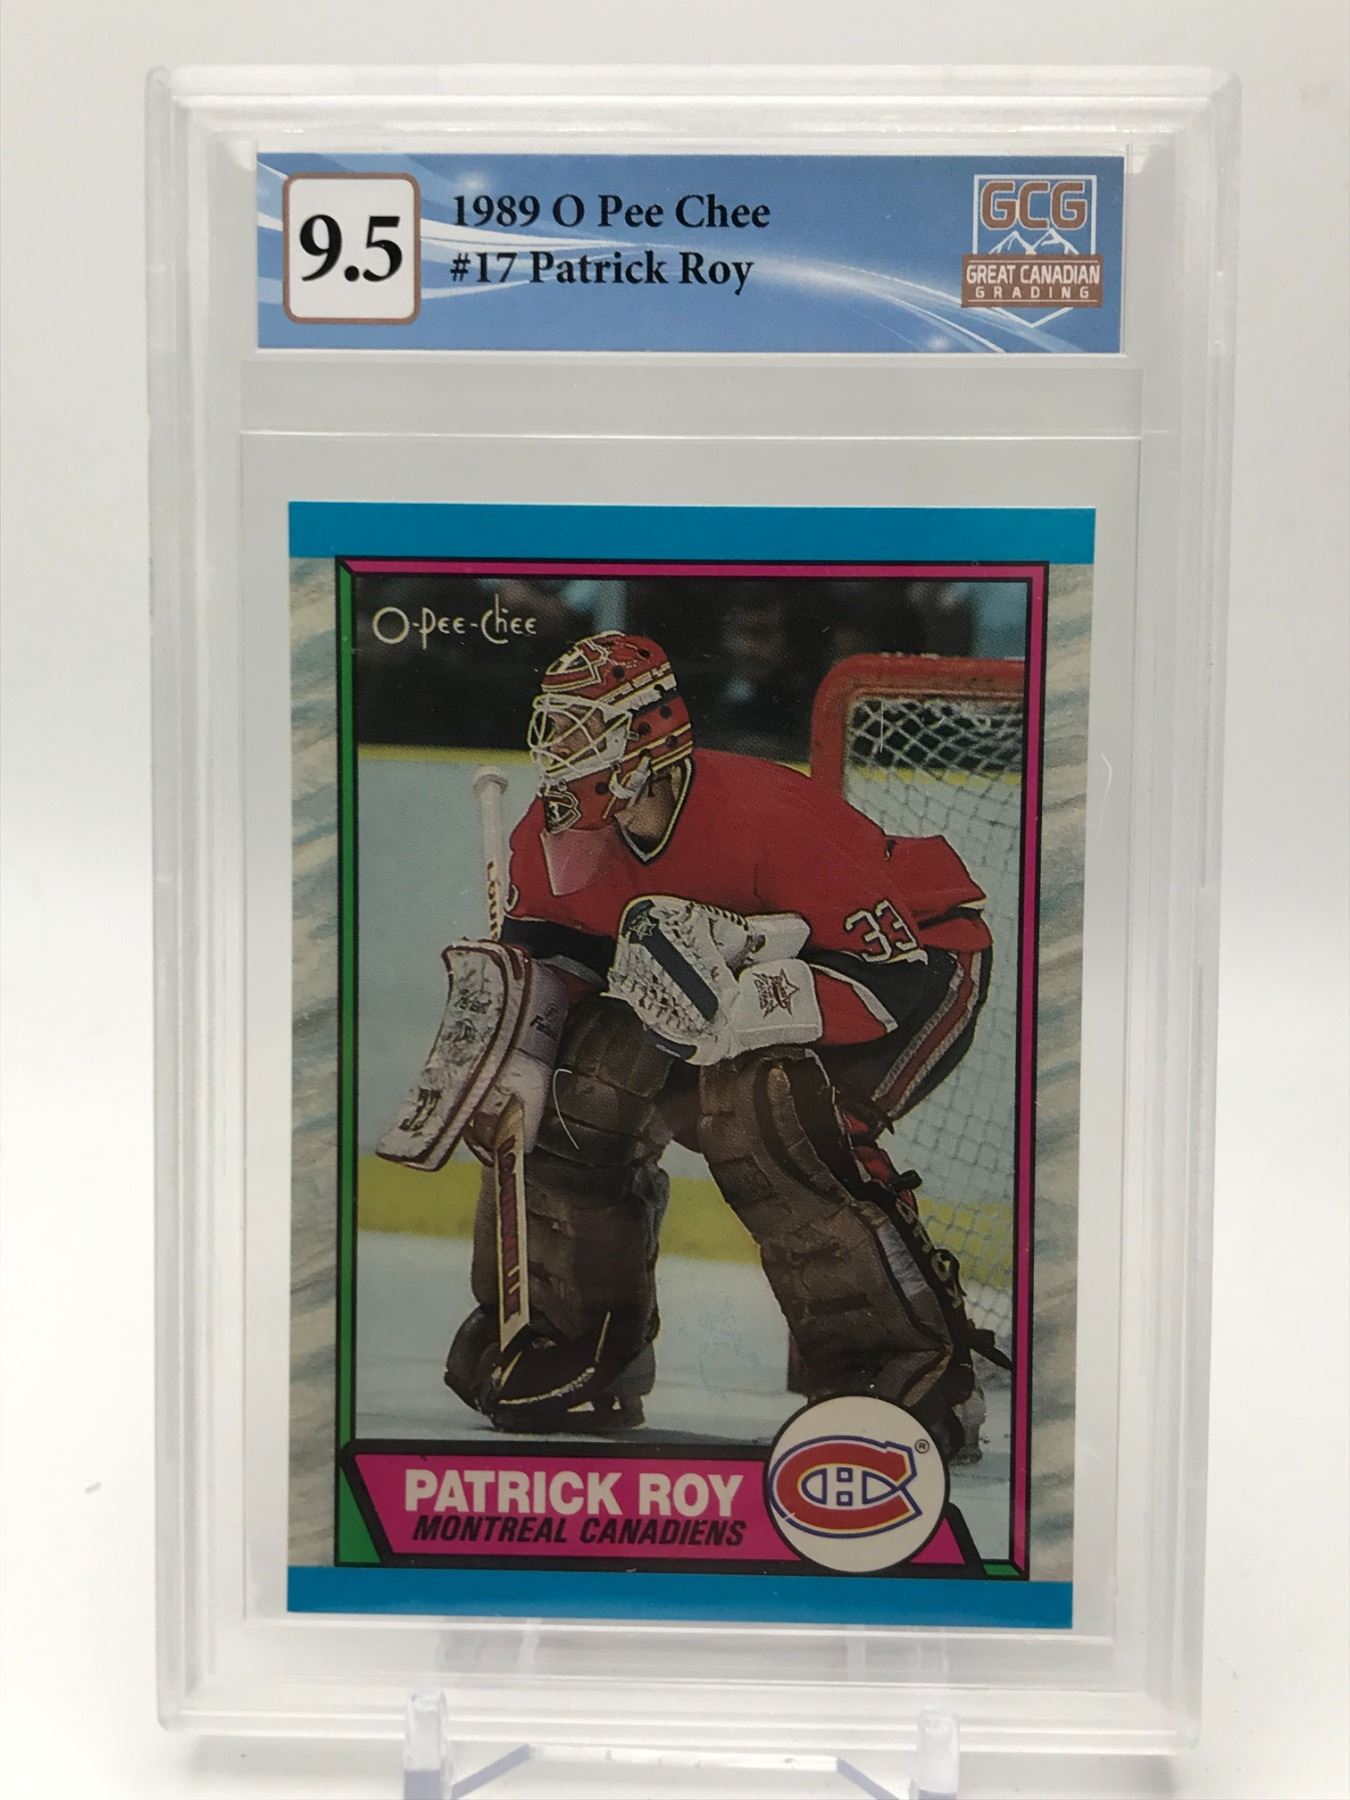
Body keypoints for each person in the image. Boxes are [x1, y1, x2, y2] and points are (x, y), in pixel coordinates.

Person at [444, 631, 1006, 1456]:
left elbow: (890, 978)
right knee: (572, 1094)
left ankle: (906, 1366)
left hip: (912, 965)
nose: (557, 747)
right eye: (553, 725)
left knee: (777, 1117)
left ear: (647, 733)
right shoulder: (550, 830)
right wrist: (517, 1048)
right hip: (740, 990)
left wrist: (742, 1015)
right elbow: (560, 963)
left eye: (581, 727)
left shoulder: (770, 817)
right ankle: (578, 1343)